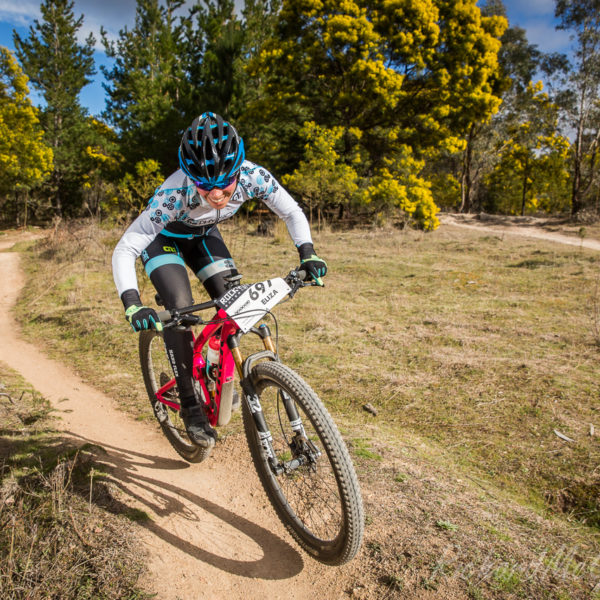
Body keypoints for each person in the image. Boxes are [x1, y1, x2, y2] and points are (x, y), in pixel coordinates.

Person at [112, 112, 327, 449]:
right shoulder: (171, 195)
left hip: (203, 237)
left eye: (224, 184)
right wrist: (132, 303)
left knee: (236, 305)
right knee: (180, 310)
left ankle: (213, 369)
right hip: (163, 241)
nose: (215, 194)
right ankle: (189, 404)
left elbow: (291, 211)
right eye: (204, 185)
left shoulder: (254, 177)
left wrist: (308, 252)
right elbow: (126, 247)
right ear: (189, 175)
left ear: (239, 170)